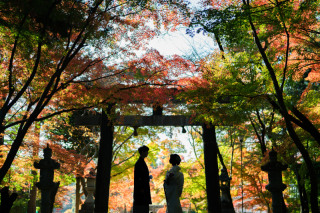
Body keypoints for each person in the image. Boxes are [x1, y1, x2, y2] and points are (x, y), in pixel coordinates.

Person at [133, 145, 152, 213]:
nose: (147, 153)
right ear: (143, 152)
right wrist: (141, 188)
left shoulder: (140, 162)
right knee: (141, 207)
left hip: (142, 189)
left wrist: (147, 177)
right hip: (141, 190)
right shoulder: (139, 163)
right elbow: (139, 177)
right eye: (146, 151)